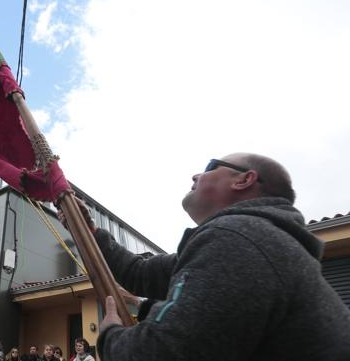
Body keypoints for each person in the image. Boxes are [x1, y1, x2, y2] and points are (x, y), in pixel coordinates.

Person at [60, 153, 350, 360]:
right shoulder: (247, 237)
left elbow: (161, 353)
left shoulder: (239, 237)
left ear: (244, 180)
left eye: (210, 166)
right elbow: (140, 273)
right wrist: (91, 232)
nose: (196, 174)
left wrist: (110, 335)